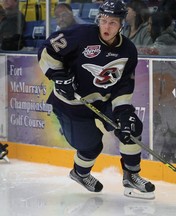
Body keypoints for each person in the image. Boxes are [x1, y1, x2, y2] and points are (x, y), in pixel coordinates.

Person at [38, 0, 155, 199]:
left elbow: (124, 87)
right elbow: (47, 51)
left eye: (112, 23)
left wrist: (124, 114)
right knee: (92, 145)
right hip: (71, 103)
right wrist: (58, 77)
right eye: (103, 20)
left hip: (103, 100)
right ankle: (80, 173)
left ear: (121, 25)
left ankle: (131, 176)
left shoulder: (127, 51)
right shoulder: (80, 35)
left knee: (131, 128)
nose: (106, 27)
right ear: (98, 19)